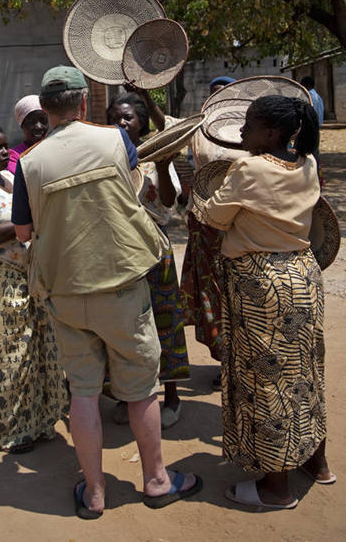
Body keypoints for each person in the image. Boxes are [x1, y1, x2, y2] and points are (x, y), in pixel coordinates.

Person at [12, 66, 202, 518]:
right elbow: (133, 185)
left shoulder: (31, 162)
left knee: (83, 392)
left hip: (64, 292)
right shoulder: (115, 141)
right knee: (140, 390)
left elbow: (23, 230)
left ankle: (94, 493)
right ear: (82, 103)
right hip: (121, 286)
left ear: (46, 109)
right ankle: (157, 481)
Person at [194, 94, 335, 509]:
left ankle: (276, 488)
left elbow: (214, 218)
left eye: (250, 125)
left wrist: (203, 197)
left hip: (262, 285)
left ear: (271, 132)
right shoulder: (308, 163)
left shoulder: (249, 168)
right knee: (306, 370)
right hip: (302, 276)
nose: (241, 132)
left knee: (268, 380)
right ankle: (316, 462)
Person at [0, 123, 68, 453]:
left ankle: (36, 422)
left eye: (6, 146)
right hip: (0, 285)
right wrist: (33, 218)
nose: (5, 152)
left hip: (29, 277)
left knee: (33, 353)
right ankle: (7, 430)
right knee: (7, 357)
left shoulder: (8, 180)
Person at [106, 91, 189, 429]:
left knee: (163, 321)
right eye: (115, 117)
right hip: (117, 252)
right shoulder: (105, 156)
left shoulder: (157, 157)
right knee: (123, 325)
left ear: (141, 122)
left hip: (155, 250)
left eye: (128, 117)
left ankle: (171, 395)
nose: (121, 122)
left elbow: (169, 202)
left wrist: (166, 163)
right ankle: (130, 394)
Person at [180, 76, 238, 379]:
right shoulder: (199, 131)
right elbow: (167, 128)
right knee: (211, 292)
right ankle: (224, 357)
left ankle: (236, 359)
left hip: (237, 227)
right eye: (214, 95)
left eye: (224, 94)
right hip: (203, 224)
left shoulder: (247, 131)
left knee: (234, 292)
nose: (218, 100)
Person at [7, 95, 49, 173]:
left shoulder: (56, 147)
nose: (39, 127)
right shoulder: (14, 156)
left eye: (43, 120)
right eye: (32, 122)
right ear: (22, 125)